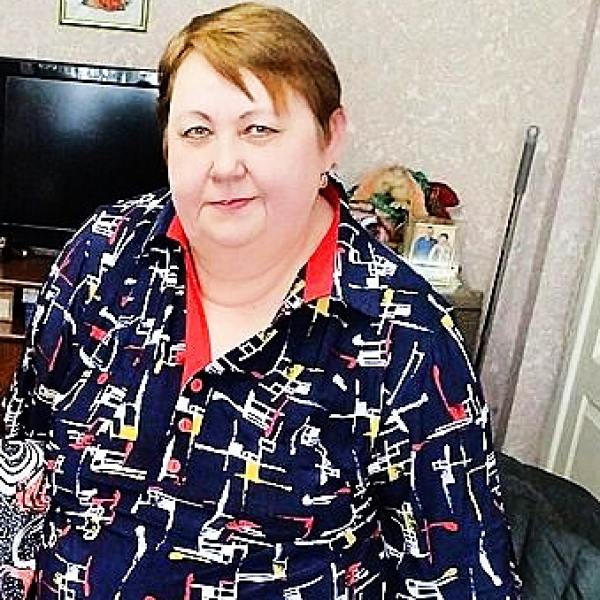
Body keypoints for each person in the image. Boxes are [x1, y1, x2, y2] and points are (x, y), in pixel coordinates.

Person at [1, 3, 521, 598]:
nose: (225, 165)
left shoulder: (407, 339)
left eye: (259, 129)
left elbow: (463, 580)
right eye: (197, 132)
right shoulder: (103, 255)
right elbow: (23, 453)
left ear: (330, 138)